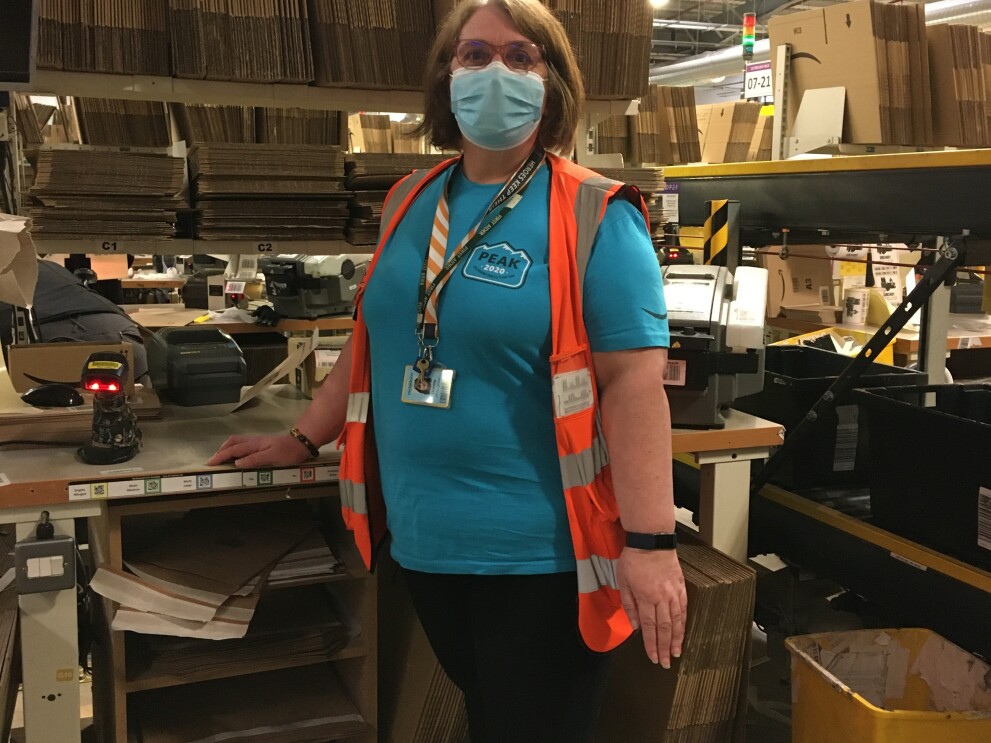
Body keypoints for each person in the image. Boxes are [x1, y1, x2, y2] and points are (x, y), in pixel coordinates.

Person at [209, 1, 687, 740]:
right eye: (473, 55)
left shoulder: (595, 213)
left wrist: (651, 545)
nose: (495, 71)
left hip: (543, 555)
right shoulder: (410, 199)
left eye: (520, 56)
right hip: (424, 539)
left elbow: (633, 385)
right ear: (445, 77)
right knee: (489, 716)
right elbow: (373, 341)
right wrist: (302, 439)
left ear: (552, 82)